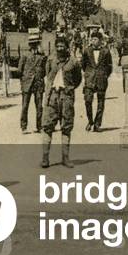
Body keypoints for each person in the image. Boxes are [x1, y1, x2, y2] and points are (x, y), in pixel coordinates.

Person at [42, 35, 83, 168]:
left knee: (66, 126)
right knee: (47, 126)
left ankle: (65, 158)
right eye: (58, 46)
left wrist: (68, 89)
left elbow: (77, 79)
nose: (60, 48)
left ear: (66, 47)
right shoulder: (50, 60)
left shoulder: (73, 62)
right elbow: (48, 75)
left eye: (62, 46)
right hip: (52, 96)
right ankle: (45, 158)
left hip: (66, 97)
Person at [81, 31, 113, 132]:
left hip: (101, 79)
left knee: (101, 102)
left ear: (100, 41)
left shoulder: (106, 51)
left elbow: (109, 67)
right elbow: (83, 65)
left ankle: (97, 124)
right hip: (89, 79)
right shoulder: (86, 51)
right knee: (88, 101)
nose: (93, 41)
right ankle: (90, 121)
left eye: (95, 39)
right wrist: (88, 74)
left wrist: (104, 75)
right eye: (92, 39)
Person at [17, 32, 47, 133]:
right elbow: (19, 70)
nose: (34, 45)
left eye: (36, 43)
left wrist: (39, 77)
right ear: (29, 44)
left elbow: (45, 70)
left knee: (39, 106)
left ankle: (40, 126)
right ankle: (23, 127)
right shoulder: (25, 55)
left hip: (38, 84)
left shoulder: (42, 56)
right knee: (25, 106)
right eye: (32, 43)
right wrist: (24, 80)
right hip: (27, 84)